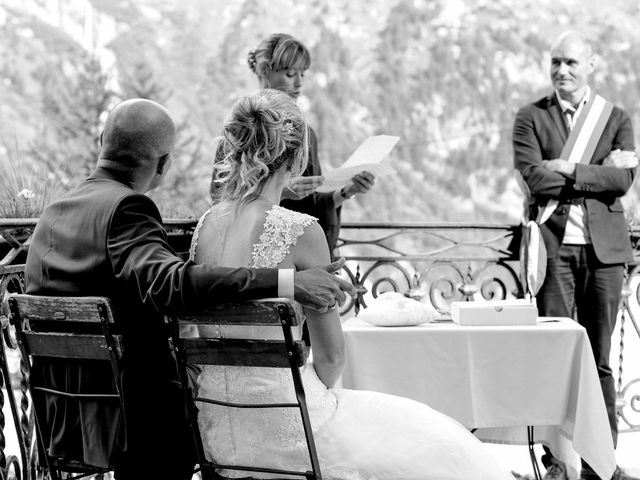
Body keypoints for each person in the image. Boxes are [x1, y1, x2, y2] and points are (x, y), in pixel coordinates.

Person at [24, 98, 355, 480]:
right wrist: (288, 281)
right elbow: (171, 282)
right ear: (163, 164)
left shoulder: (54, 213)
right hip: (137, 422)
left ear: (102, 140)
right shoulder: (127, 208)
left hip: (64, 416)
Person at [192, 88, 515, 480]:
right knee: (440, 445)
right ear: (297, 157)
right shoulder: (300, 230)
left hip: (219, 431)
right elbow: (330, 360)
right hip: (293, 431)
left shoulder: (205, 227)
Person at [513, 31, 638, 480]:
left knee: (599, 359)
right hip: (552, 250)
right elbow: (534, 179)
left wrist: (566, 168)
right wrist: (594, 174)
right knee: (556, 355)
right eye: (556, 62)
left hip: (605, 253)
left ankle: (600, 461)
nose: (562, 70)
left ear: (591, 65)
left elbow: (623, 182)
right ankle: (557, 462)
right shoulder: (531, 117)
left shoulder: (616, 117)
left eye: (571, 62)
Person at [245, 32, 376, 255]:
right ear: (265, 70)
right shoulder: (243, 126)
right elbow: (223, 199)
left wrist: (347, 191)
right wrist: (281, 192)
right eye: (289, 74)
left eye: (302, 75)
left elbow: (314, 208)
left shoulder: (307, 135)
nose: (298, 83)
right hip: (256, 251)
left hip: (303, 254)